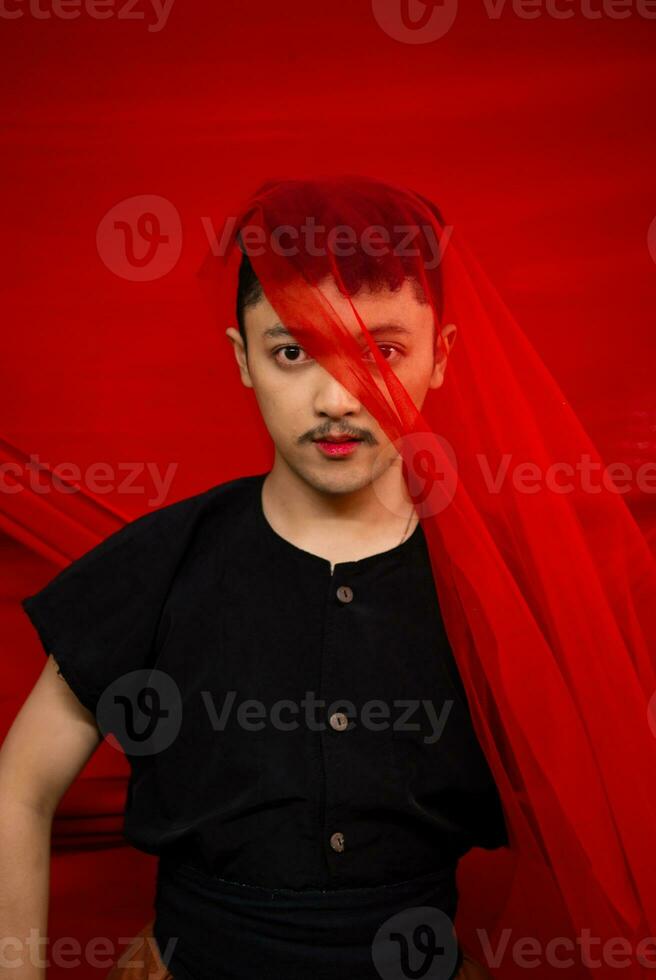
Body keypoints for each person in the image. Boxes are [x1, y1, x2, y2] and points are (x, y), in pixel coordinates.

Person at [1, 187, 508, 980]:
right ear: (242, 357)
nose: (338, 400)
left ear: (441, 355)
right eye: (294, 351)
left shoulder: (491, 582)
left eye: (382, 351)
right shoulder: (161, 562)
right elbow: (18, 788)